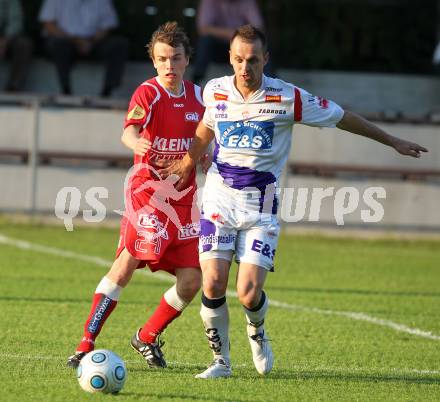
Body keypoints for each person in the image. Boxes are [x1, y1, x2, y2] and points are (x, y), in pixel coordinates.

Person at [156, 24, 429, 378]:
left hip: (260, 210)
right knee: (212, 283)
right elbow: (206, 128)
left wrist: (391, 140)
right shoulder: (216, 90)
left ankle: (257, 331)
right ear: (230, 58)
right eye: (238, 59)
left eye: (253, 60)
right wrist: (189, 160)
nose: (245, 67)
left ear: (265, 59)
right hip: (219, 204)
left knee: (249, 293)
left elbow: (342, 117)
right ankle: (221, 361)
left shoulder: (288, 98)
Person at [67, 21, 205, 369]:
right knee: (128, 262)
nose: (169, 66)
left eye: (175, 58)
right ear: (154, 61)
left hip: (185, 200)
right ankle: (86, 343)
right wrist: (136, 141)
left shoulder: (200, 97)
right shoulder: (149, 92)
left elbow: (209, 136)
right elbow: (129, 130)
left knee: (192, 282)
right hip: (149, 195)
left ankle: (146, 336)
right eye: (162, 59)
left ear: (187, 60)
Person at [38, 0, 128, 97]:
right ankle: (66, 91)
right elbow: (48, 24)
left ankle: (107, 93)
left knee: (119, 45)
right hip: (65, 40)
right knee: (59, 45)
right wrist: (76, 41)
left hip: (93, 42)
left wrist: (90, 42)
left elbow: (107, 26)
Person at [192, 0, 265, 84]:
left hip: (242, 46)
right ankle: (196, 79)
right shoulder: (209, 1)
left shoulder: (248, 2)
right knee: (205, 40)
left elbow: (259, 28)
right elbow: (202, 29)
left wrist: (238, 35)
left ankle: (270, 82)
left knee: (259, 41)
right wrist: (233, 33)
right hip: (218, 48)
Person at [0, 0, 33, 92]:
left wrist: (5, 39)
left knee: (23, 44)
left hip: (5, 38)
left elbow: (16, 20)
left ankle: (13, 87)